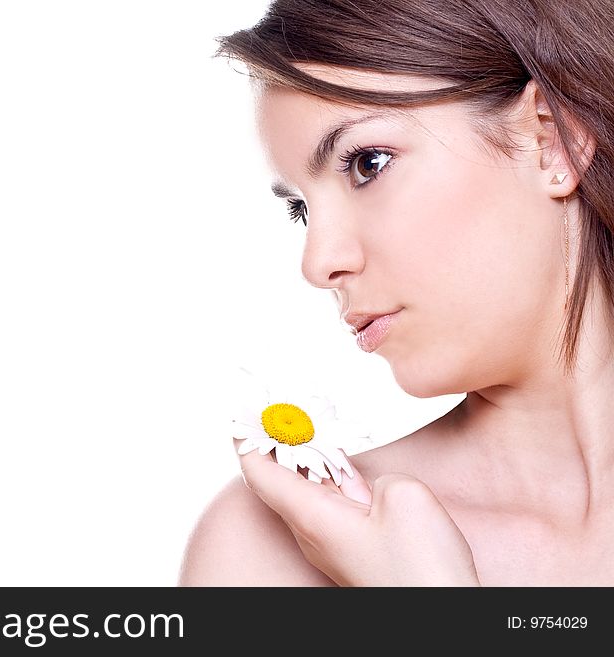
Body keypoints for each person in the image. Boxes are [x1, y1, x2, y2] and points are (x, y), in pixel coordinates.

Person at [178, 0, 614, 586]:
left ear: (551, 140)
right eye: (300, 210)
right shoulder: (270, 550)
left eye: (367, 163)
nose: (318, 262)